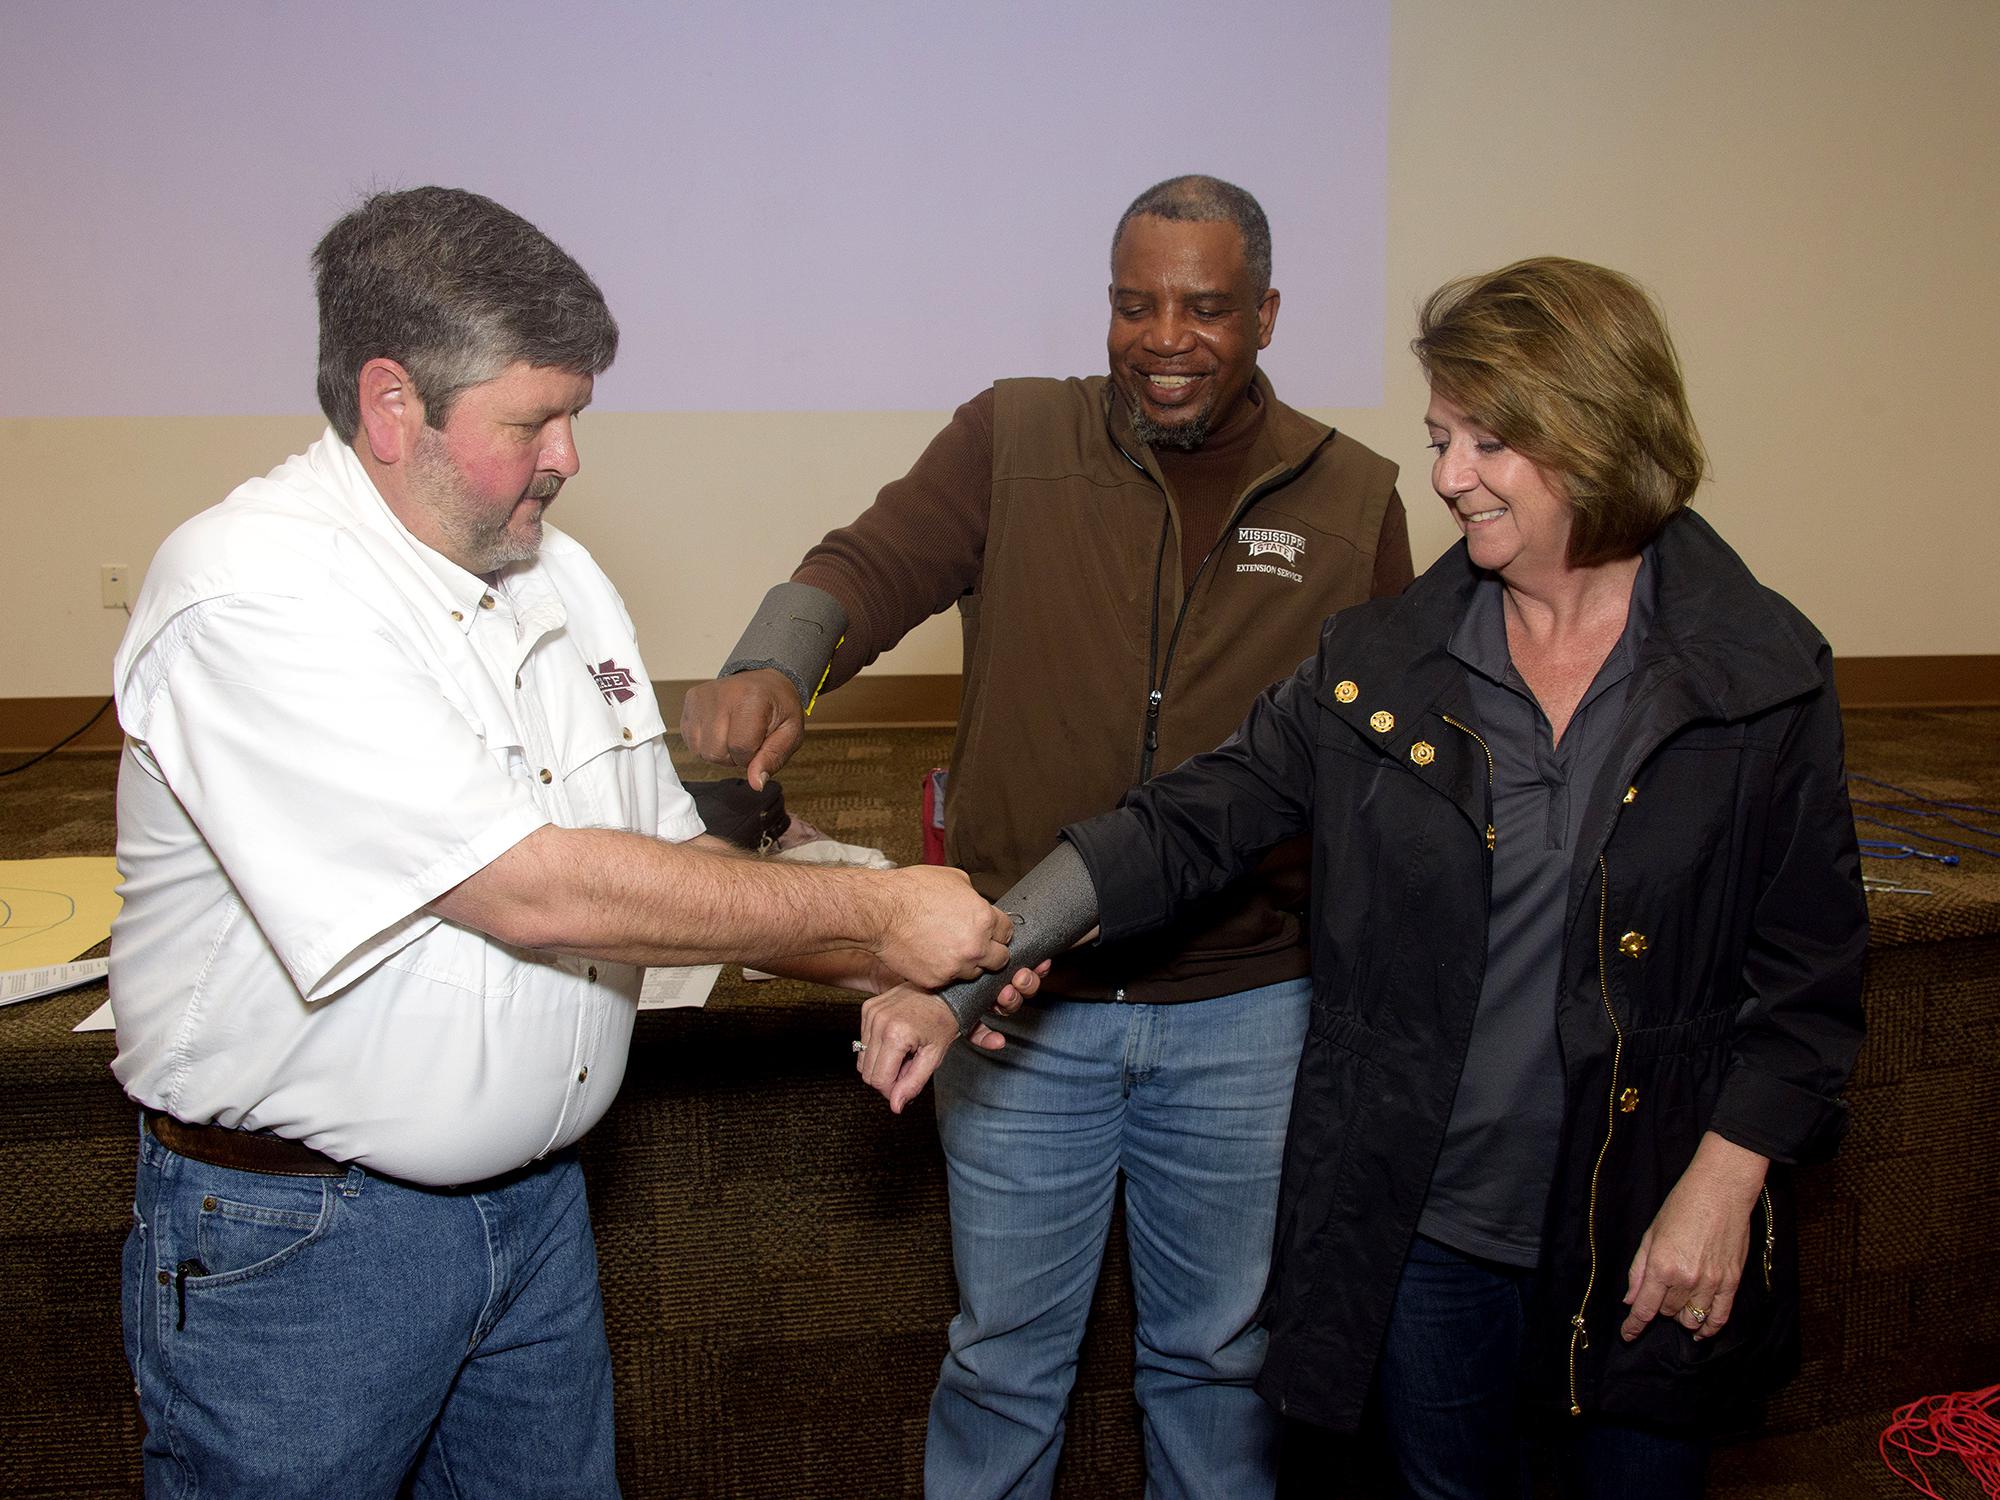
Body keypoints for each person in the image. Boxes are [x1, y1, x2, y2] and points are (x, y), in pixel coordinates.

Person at [869, 256, 1868, 1496]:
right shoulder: (1381, 662)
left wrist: (1725, 1180)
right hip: (1425, 1231)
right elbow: (1183, 824)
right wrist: (983, 954)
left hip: (1645, 1225)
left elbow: (1808, 980)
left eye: (1491, 445)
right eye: (1444, 437)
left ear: (1602, 434)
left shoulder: (1759, 671)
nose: (1449, 479)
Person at [108, 185, 1018, 1500]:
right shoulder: (254, 590)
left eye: (576, 415)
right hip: (300, 1250)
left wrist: (881, 960)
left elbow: (664, 863)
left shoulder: (560, 575)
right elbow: (528, 891)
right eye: (534, 419)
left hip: (537, 1220)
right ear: (389, 406)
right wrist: (879, 921)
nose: (569, 457)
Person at [682, 175, 1413, 1497]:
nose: (1164, 336)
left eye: (1203, 307)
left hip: (1246, 1010)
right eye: (1136, 304)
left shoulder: (1353, 498)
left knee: (1217, 1362)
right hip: (1018, 997)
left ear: (1266, 314)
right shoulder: (1014, 438)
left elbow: (1385, 769)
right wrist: (772, 666)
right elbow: (865, 564)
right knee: (1007, 1357)